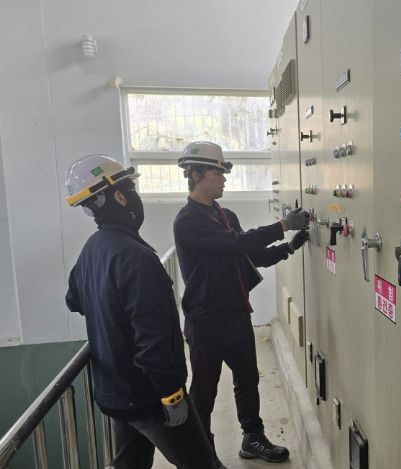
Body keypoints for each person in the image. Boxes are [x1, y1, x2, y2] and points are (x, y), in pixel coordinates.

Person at [64, 154, 226, 469]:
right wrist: (172, 397)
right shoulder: (137, 258)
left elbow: (75, 301)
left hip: (116, 392)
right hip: (150, 397)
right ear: (119, 197)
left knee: (131, 463)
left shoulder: (92, 250)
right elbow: (155, 339)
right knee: (202, 464)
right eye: (130, 187)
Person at [173, 141, 309, 463]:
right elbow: (234, 243)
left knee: (247, 380)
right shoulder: (188, 221)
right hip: (206, 320)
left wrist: (289, 247)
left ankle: (252, 438)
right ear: (195, 174)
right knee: (204, 392)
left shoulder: (226, 215)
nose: (223, 179)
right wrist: (282, 225)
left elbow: (251, 255)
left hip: (236, 314)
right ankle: (202, 454)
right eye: (217, 173)